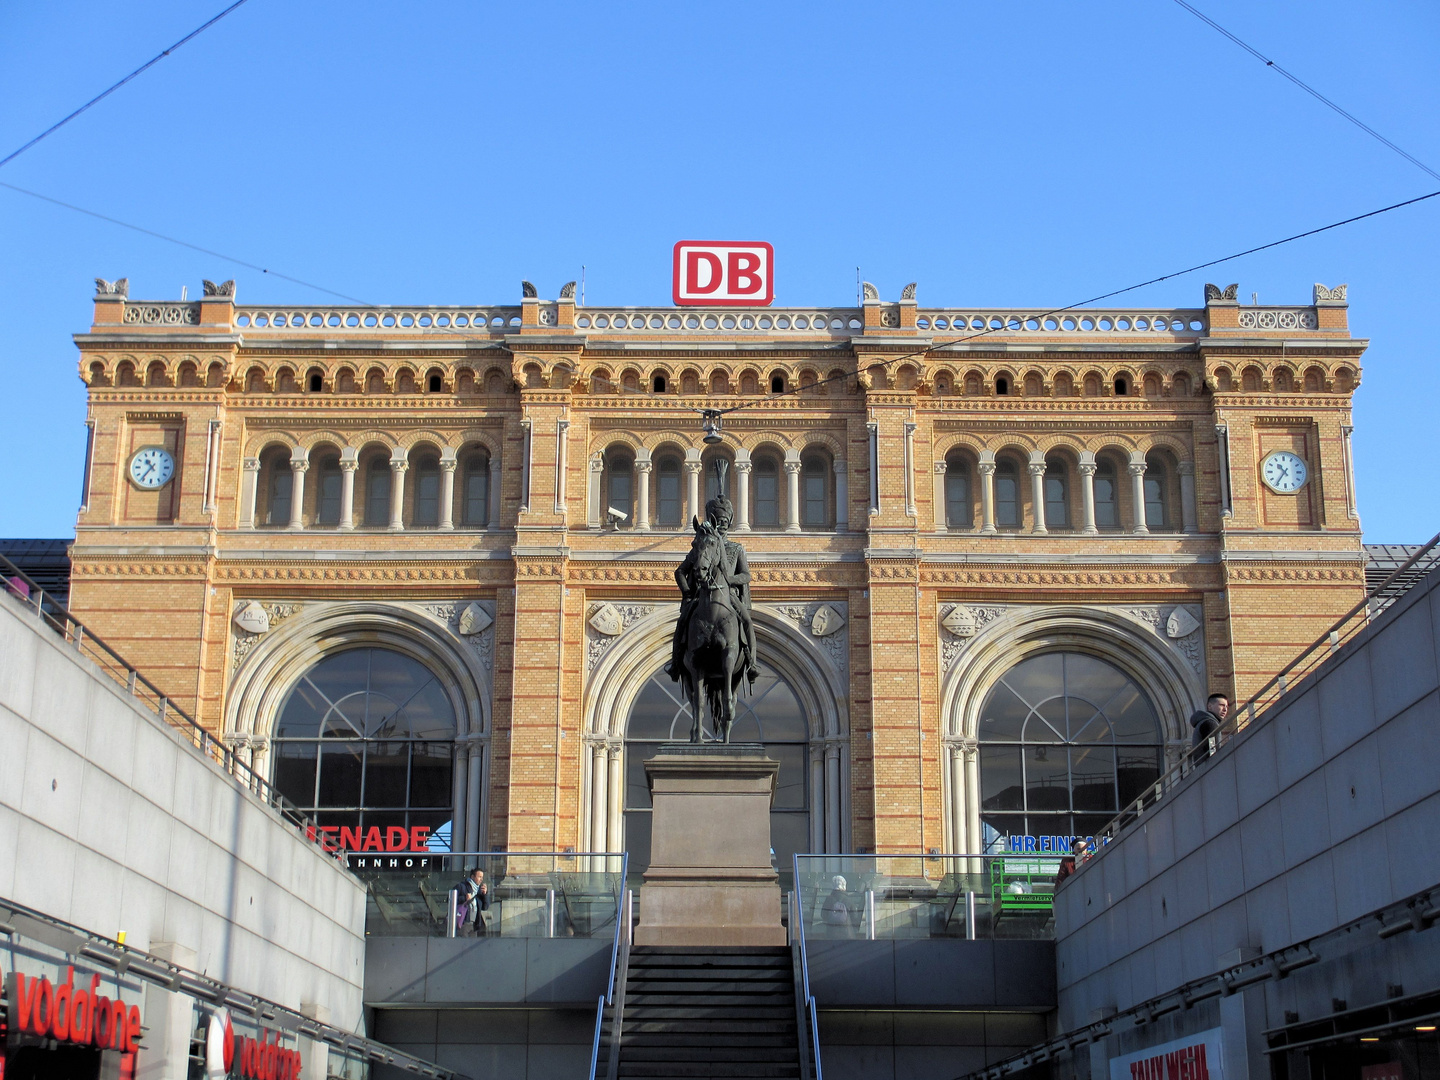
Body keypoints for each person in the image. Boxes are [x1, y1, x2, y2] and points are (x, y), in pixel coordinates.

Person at [666, 469, 757, 689]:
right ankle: (676, 663)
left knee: (746, 620)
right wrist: (688, 593)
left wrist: (729, 579)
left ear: (731, 521)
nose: (723, 524)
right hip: (701, 596)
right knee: (682, 622)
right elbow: (680, 571)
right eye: (720, 520)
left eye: (727, 520)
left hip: (729, 596)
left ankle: (752, 662)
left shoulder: (736, 548)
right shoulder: (702, 546)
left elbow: (747, 575)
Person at [1189, 693, 1230, 764]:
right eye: (1221, 705)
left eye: (1227, 706)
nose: (1225, 709)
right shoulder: (1210, 723)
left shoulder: (1203, 722)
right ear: (1210, 706)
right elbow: (1212, 751)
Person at [454, 867, 491, 936]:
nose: (481, 879)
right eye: (479, 877)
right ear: (472, 877)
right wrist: (465, 898)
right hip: (463, 922)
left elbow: (485, 907)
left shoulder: (479, 891)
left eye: (482, 877)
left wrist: (485, 894)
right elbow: (451, 899)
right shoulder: (462, 886)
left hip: (474, 924)